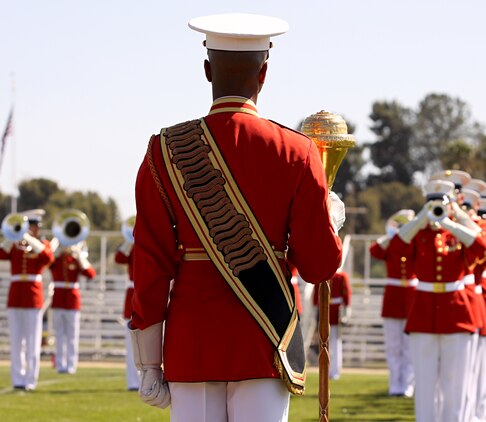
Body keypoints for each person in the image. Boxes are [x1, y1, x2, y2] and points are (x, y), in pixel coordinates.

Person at [129, 13, 344, 422]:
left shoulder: (165, 149)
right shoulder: (298, 152)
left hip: (191, 342)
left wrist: (148, 364)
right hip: (265, 340)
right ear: (264, 73)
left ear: (207, 70)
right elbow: (319, 266)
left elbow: (150, 264)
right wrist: (330, 221)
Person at [392, 180, 485, 422]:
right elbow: (394, 248)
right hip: (423, 312)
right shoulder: (417, 233)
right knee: (424, 380)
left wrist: (453, 221)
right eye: (431, 204)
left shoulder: (457, 232)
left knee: (455, 381)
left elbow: (482, 248)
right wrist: (421, 219)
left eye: (441, 204)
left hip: (456, 312)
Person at [0, 209, 54, 391]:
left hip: (33, 297)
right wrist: (13, 235)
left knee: (32, 341)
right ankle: (18, 380)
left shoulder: (41, 244)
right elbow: (1, 253)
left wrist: (30, 239)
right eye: (29, 227)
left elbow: (48, 257)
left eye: (34, 227)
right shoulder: (14, 244)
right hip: (15, 297)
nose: (32, 230)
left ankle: (30, 380)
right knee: (16, 341)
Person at [369, 209, 416, 397]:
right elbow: (375, 250)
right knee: (393, 346)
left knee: (410, 347)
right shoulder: (391, 242)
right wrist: (390, 230)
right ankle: (395, 385)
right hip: (393, 297)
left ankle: (408, 385)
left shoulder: (415, 241)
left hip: (412, 296)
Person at [49, 240, 96, 374]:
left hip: (72, 301)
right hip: (59, 299)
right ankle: (60, 365)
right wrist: (56, 244)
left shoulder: (75, 259)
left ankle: (71, 365)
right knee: (59, 335)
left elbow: (91, 274)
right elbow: (47, 259)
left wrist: (79, 254)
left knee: (72, 336)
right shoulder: (56, 259)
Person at [312, 270, 351, 380]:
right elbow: (316, 294)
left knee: (335, 343)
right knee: (324, 343)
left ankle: (335, 371)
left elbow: (346, 293)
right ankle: (325, 369)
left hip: (335, 312)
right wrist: (315, 309)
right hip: (324, 311)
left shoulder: (341, 276)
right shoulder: (321, 274)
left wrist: (346, 312)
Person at [114, 221, 139, 391]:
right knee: (131, 344)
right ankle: (133, 382)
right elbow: (119, 258)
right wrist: (130, 239)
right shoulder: (132, 247)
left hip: (150, 292)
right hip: (133, 295)